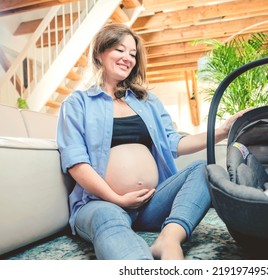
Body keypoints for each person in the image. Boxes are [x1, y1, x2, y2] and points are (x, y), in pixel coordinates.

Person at [57, 23, 249, 260]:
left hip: (151, 203)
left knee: (204, 170)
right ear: (100, 52)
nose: (127, 58)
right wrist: (117, 198)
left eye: (133, 54)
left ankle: (169, 238)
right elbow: (77, 164)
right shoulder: (77, 104)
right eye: (120, 49)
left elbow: (173, 143)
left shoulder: (147, 101)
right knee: (107, 220)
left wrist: (222, 131)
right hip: (101, 203)